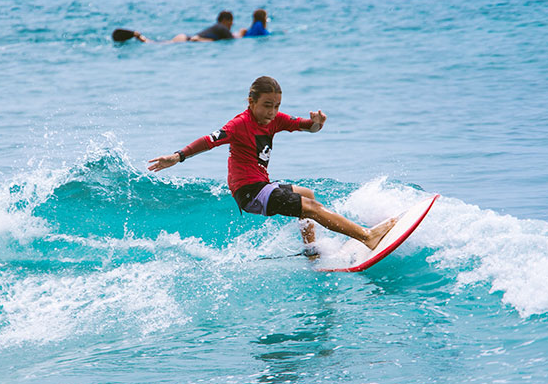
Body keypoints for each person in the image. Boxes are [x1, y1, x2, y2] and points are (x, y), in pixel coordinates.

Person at [148, 76, 396, 255]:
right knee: (311, 208)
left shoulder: (275, 120)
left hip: (262, 186)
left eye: (276, 106)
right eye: (267, 105)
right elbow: (208, 140)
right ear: (251, 102)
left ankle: (311, 251)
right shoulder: (239, 125)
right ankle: (367, 237)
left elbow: (306, 127)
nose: (272, 112)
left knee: (307, 195)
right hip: (249, 192)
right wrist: (178, 156)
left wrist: (317, 123)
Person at [113, 10, 236, 43]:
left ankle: (139, 37)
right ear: (225, 20)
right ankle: (139, 36)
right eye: (231, 22)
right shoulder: (222, 28)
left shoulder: (217, 27)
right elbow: (231, 39)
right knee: (154, 43)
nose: (231, 25)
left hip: (185, 38)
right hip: (187, 39)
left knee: (157, 43)